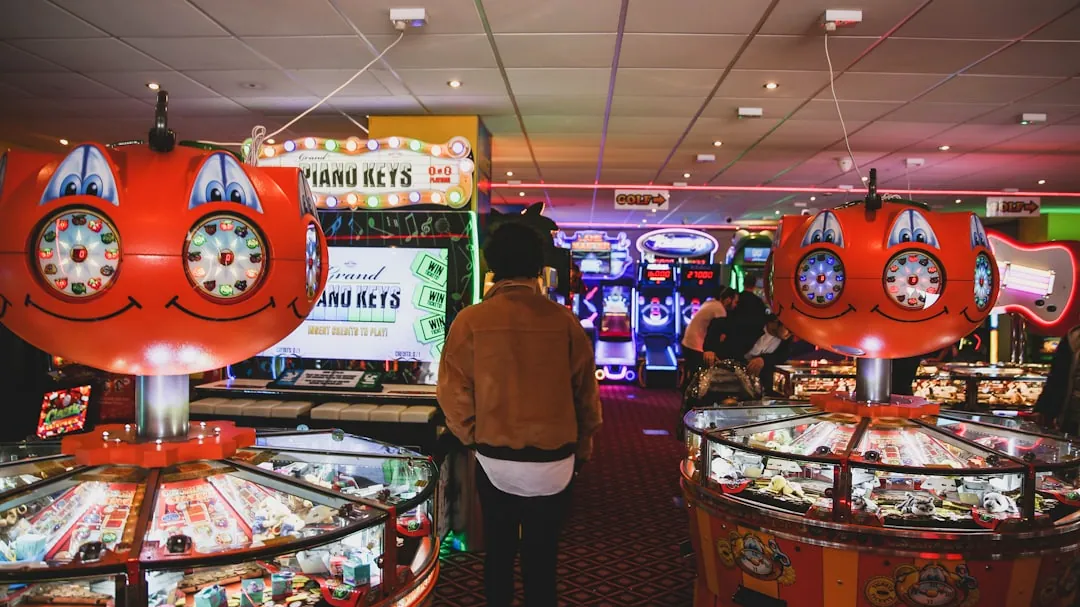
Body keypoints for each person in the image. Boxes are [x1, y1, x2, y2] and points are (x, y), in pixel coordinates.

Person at [437, 222, 603, 607]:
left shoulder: (471, 321)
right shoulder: (564, 321)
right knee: (542, 557)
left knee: (498, 553)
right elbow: (587, 398)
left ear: (492, 266)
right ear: (537, 267)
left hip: (497, 458)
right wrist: (583, 447)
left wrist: (474, 436)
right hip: (556, 460)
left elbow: (452, 394)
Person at [681, 286, 739, 378]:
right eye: (735, 302)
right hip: (695, 344)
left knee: (691, 372)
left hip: (687, 341)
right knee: (700, 375)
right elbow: (719, 334)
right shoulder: (720, 309)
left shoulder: (710, 303)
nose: (736, 305)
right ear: (728, 300)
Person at [1034, 324, 1080, 435]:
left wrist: (1043, 411)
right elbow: (1058, 380)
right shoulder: (1073, 338)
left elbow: (1057, 380)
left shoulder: (1073, 338)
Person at [744, 315, 793, 394]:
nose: (790, 334)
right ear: (776, 321)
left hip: (762, 385)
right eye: (789, 330)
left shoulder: (785, 341)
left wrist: (763, 359)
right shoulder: (753, 326)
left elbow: (782, 356)